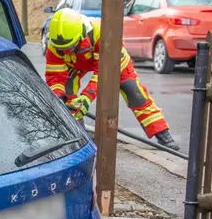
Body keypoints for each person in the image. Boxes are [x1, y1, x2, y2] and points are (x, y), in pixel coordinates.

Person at [44, 8, 179, 150]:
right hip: (76, 65)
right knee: (66, 95)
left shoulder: (103, 34)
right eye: (62, 49)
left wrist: (86, 97)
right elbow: (55, 77)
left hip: (114, 63)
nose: (66, 52)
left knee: (135, 93)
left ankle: (162, 134)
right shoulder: (54, 46)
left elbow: (103, 74)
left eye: (70, 47)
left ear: (83, 34)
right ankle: (77, 137)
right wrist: (59, 97)